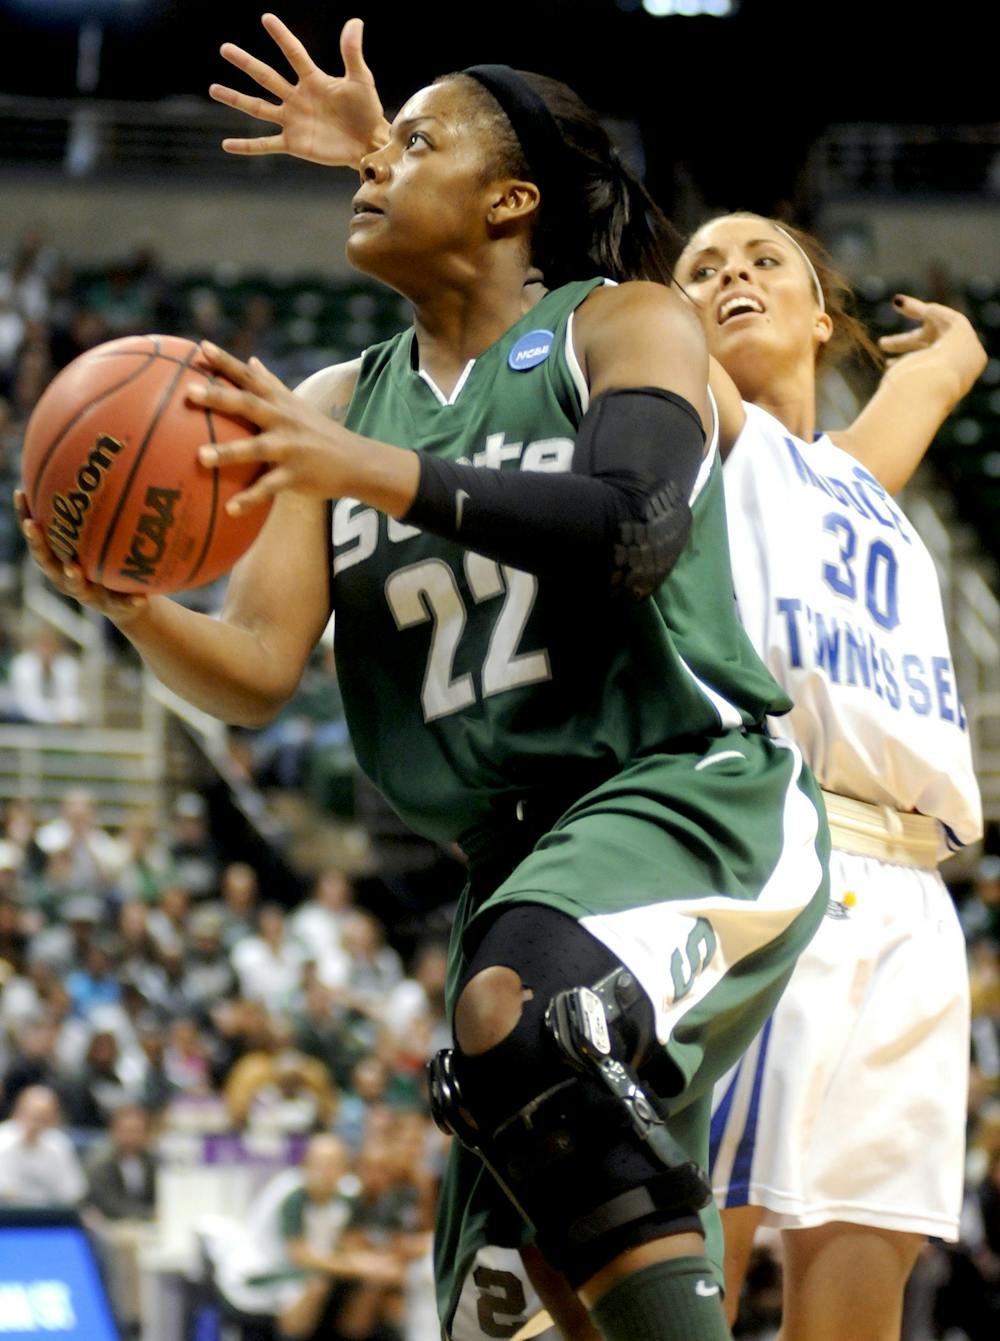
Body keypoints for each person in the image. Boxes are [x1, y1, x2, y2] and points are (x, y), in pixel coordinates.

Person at [16, 28, 831, 1341]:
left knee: (530, 1019)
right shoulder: (342, 397)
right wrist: (123, 600)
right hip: (510, 879)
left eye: (417, 146)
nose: (373, 169)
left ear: (512, 204)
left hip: (685, 794)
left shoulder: (625, 322)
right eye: (379, 149)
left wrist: (377, 475)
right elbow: (257, 673)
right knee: (499, 1314)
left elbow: (630, 531)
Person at [674, 213, 984, 1341]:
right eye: (699, 270)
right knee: (698, 1253)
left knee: (862, 1299)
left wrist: (955, 355)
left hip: (913, 900)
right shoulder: (704, 432)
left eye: (762, 261)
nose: (728, 276)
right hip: (777, 855)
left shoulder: (852, 474)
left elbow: (936, 379)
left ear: (821, 317)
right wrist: (389, 155)